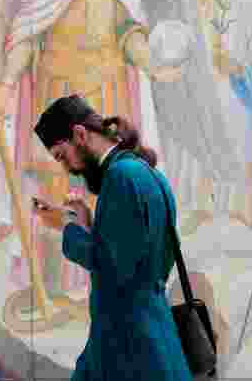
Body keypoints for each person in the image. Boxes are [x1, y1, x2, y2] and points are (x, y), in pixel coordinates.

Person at [29, 95, 193, 381]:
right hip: (140, 331)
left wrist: (68, 227)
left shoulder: (121, 177)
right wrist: (86, 224)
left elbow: (111, 264)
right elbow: (132, 255)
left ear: (80, 134)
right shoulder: (144, 173)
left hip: (130, 342)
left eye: (61, 156)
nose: (68, 168)